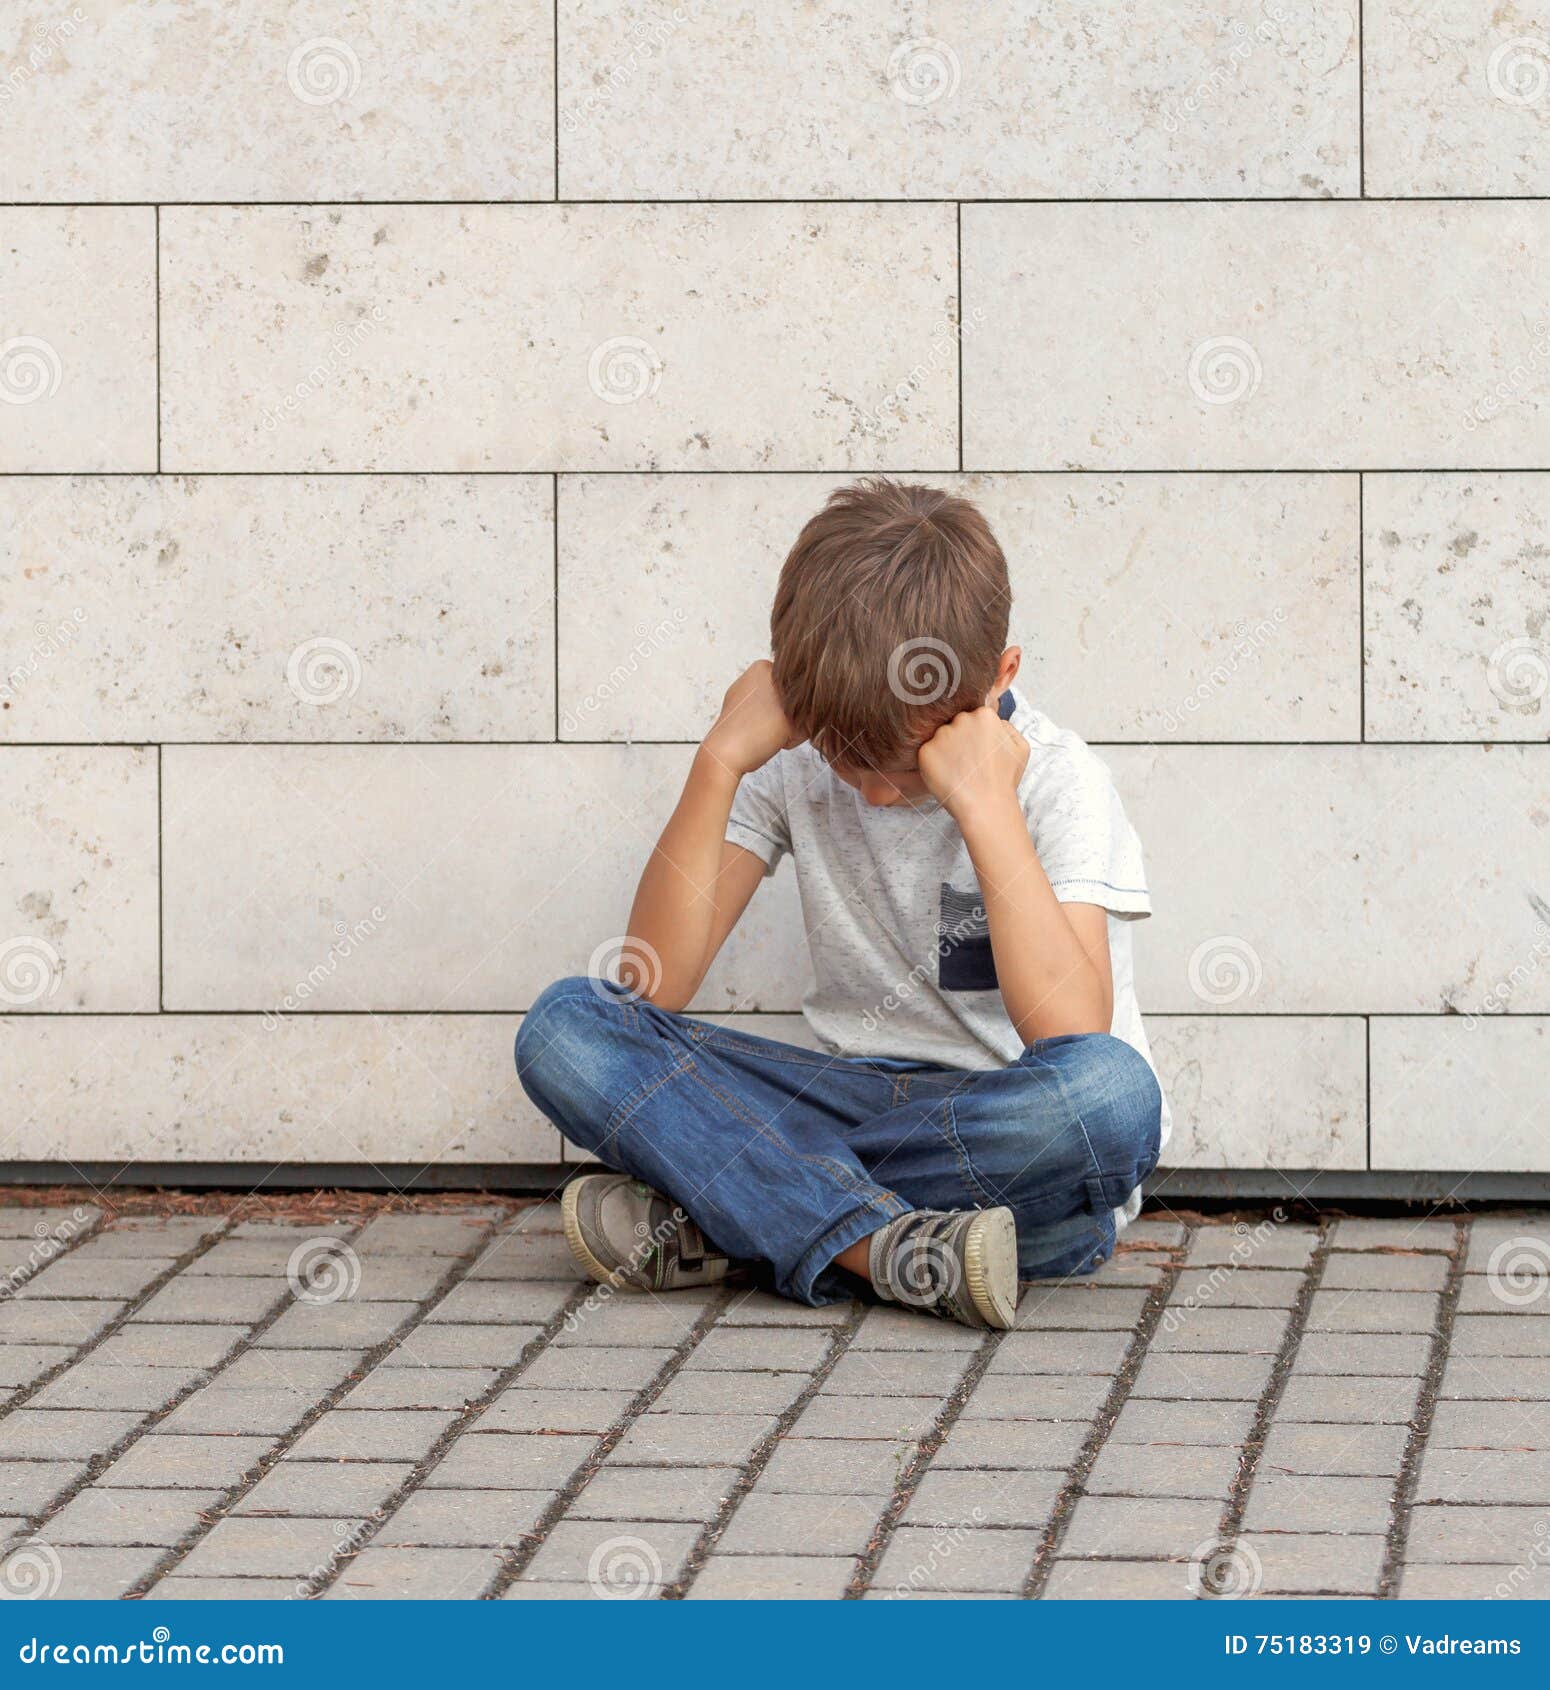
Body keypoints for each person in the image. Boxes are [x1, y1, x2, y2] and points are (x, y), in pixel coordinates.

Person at [516, 479, 1166, 1329]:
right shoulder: (797, 756)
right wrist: (718, 761)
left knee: (1113, 1097)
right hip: (850, 1096)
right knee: (568, 1028)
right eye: (840, 756)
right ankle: (880, 1249)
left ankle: (734, 1211)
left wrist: (986, 810)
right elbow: (655, 989)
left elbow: (1071, 1030)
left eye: (897, 763)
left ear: (999, 675)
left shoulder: (1055, 779)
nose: (867, 790)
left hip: (1004, 1133)